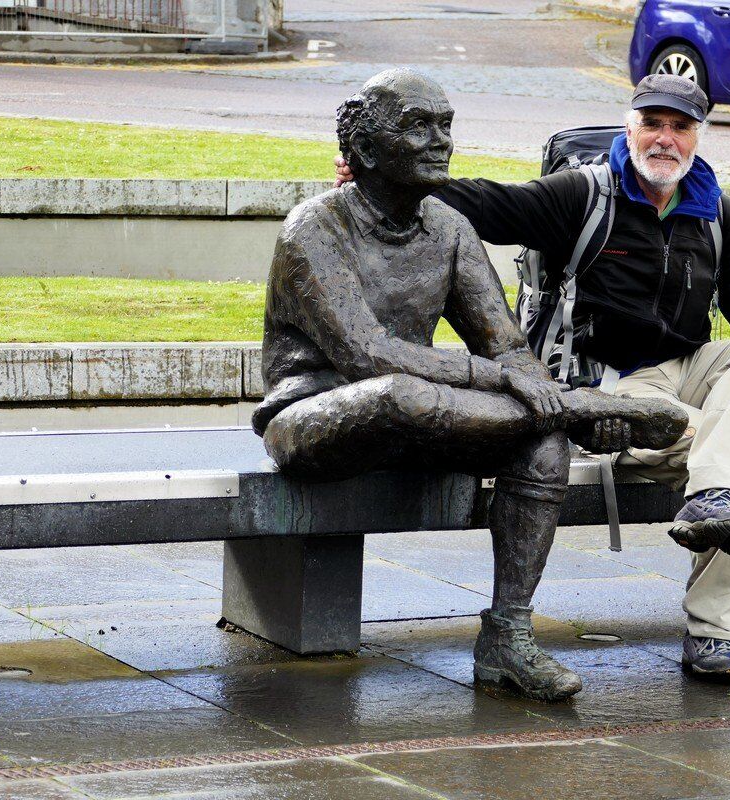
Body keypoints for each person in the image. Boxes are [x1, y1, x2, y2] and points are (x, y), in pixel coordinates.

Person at [335, 73, 730, 684]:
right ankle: (718, 628)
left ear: (699, 136)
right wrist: (383, 177)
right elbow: (490, 204)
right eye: (653, 124)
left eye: (680, 127)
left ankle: (714, 500)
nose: (664, 139)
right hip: (607, 385)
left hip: (684, 370)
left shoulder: (720, 215)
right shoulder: (584, 196)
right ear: (630, 126)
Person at [254, 68, 689, 702]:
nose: (441, 141)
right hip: (317, 417)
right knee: (398, 393)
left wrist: (529, 386)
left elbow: (508, 348)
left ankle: (506, 640)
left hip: (420, 418)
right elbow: (369, 356)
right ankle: (577, 412)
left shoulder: (450, 229)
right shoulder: (312, 229)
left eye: (446, 126)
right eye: (417, 127)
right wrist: (537, 393)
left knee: (542, 448)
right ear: (367, 150)